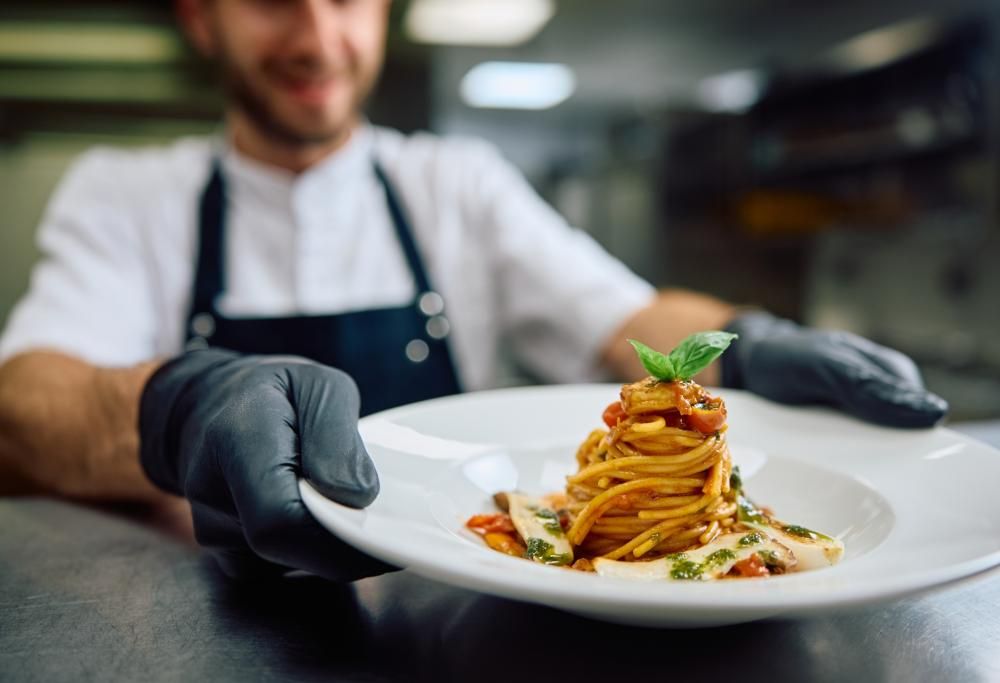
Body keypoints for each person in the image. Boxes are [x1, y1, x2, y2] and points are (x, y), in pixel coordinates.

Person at [0, 0, 946, 582]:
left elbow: (627, 322)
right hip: (215, 611)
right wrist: (179, 406)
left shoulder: (458, 181)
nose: (319, 34)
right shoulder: (125, 194)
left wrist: (747, 338)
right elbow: (23, 404)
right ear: (200, 14)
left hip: (470, 605)